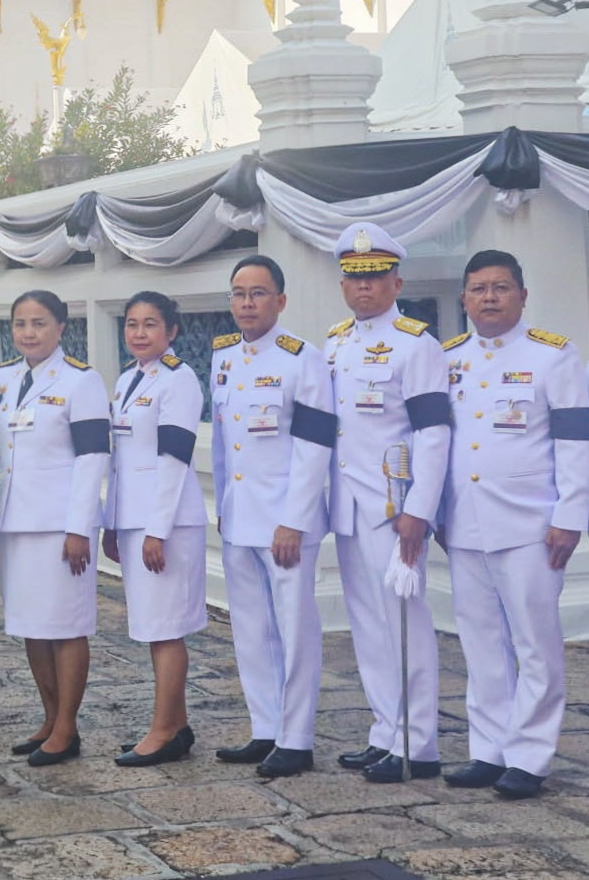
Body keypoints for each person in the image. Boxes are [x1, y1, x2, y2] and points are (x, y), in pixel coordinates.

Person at [437, 251, 589, 801]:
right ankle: (489, 748)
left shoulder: (554, 357)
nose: (489, 297)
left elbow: (575, 442)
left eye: (501, 287)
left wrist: (570, 515)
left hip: (531, 522)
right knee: (480, 642)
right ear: (464, 299)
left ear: (522, 295)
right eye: (478, 289)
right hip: (464, 522)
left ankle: (530, 755)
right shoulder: (448, 357)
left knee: (535, 643)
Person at [324, 223, 451, 783]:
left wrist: (420, 510)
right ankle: (385, 732)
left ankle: (417, 744)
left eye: (375, 277)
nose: (364, 288)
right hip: (350, 507)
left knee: (404, 622)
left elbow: (433, 433)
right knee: (368, 625)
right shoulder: (334, 344)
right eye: (354, 278)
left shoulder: (416, 344)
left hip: (395, 508)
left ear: (396, 281)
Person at [211, 256, 333, 780]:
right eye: (239, 293)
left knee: (295, 628)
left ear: (280, 301)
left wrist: (296, 519)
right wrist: (222, 507)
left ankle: (298, 737)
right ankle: (266, 727)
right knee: (251, 629)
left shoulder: (302, 359)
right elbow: (222, 446)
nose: (246, 303)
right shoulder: (223, 358)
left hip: (286, 522)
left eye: (258, 293)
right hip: (240, 520)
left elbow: (314, 446)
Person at [0, 289, 110, 767]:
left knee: (66, 626)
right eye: (20, 323)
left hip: (60, 527)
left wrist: (79, 528)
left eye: (39, 323)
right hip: (14, 523)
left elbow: (93, 456)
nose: (29, 333)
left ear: (62, 327)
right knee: (31, 627)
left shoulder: (82, 382)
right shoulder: (2, 379)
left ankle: (68, 727)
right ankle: (49, 717)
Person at [104, 291, 206, 768]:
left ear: (172, 332)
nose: (139, 333)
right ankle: (177, 724)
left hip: (165, 524)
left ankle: (163, 730)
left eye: (150, 325)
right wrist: (111, 523)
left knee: (166, 628)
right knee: (152, 626)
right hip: (133, 520)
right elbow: (121, 462)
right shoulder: (128, 379)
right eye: (131, 324)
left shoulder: (178, 380)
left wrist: (156, 530)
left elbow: (173, 460)